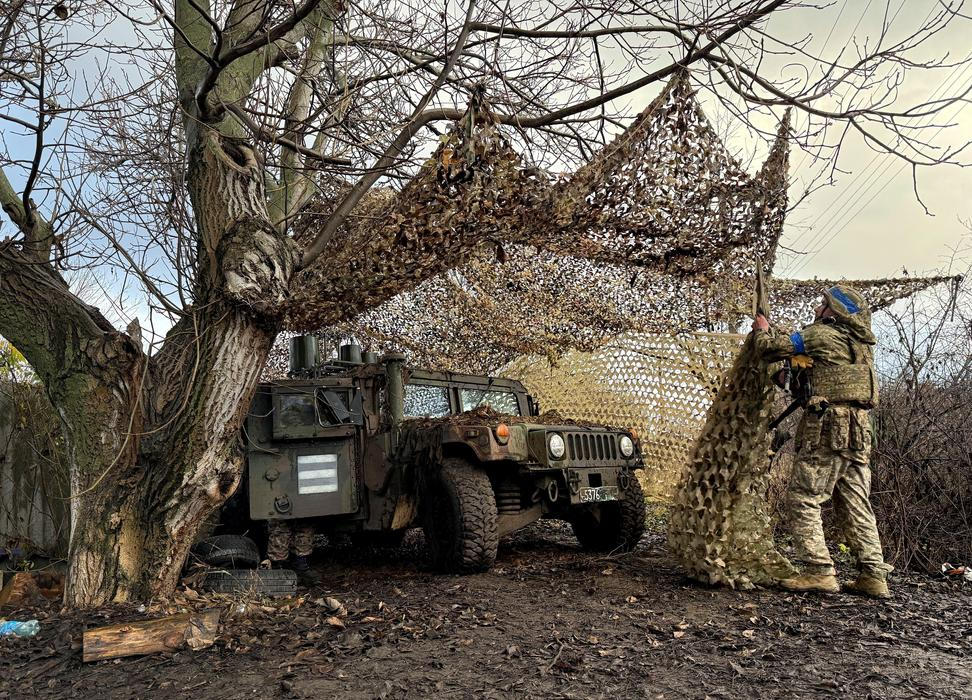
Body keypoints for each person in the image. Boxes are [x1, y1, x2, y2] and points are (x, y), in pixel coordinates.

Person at [753, 284, 892, 598]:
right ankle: (873, 575)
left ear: (835, 312)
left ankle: (819, 571)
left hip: (829, 429)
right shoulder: (860, 345)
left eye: (822, 304)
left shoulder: (820, 336)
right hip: (859, 432)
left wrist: (762, 329)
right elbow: (815, 374)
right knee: (856, 503)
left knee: (803, 498)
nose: (817, 309)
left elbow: (770, 349)